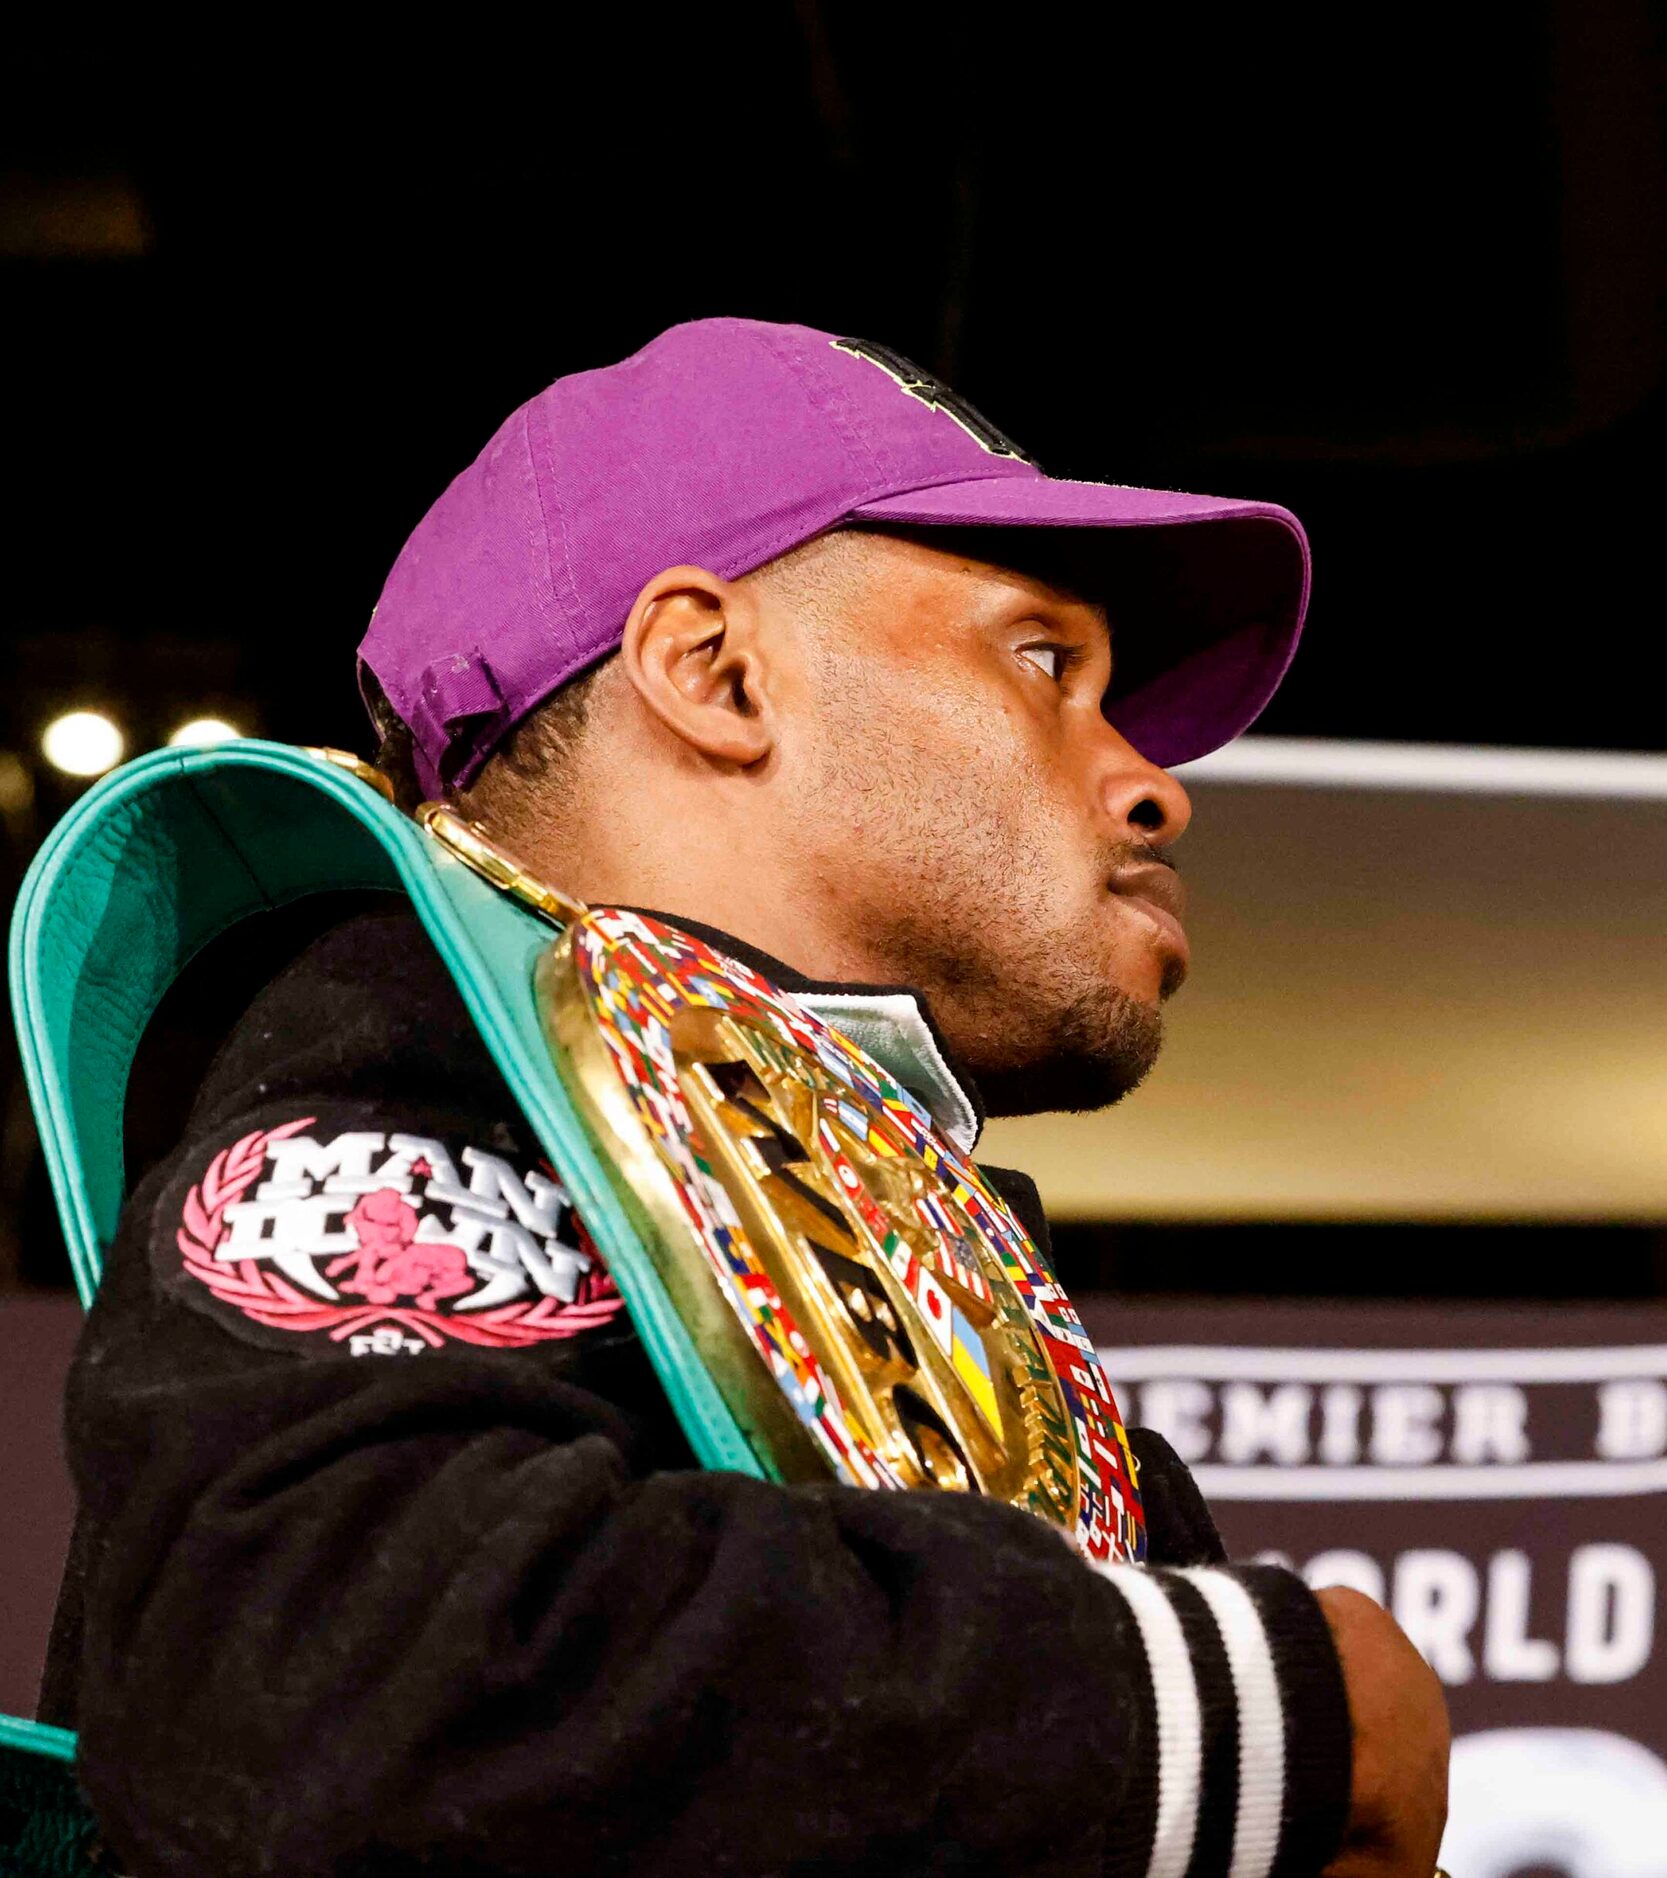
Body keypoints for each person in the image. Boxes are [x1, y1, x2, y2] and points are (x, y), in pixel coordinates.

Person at [41, 318, 1450, 1876]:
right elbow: (332, 1693)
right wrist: (1259, 1710)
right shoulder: (411, 1053)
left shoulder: (916, 1239)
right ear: (712, 673)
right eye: (1047, 661)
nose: (1150, 783)